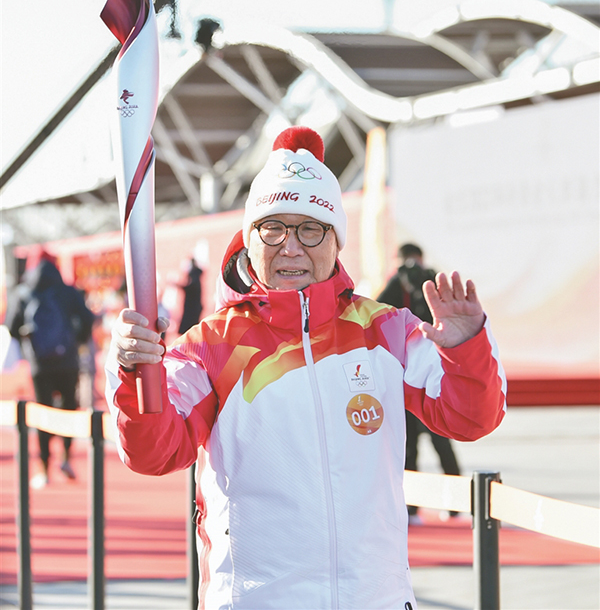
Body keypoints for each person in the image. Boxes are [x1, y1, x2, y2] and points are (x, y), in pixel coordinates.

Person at [106, 126, 506, 610]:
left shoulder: (386, 331)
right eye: (272, 228)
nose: (291, 247)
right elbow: (153, 452)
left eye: (311, 229)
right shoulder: (209, 347)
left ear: (336, 241)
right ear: (249, 240)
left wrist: (465, 347)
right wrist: (136, 372)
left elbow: (471, 418)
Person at [378, 244, 462, 524]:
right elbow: (378, 311)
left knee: (439, 444)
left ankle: (453, 503)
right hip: (409, 379)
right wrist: (399, 280)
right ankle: (413, 507)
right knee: (411, 446)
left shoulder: (431, 282)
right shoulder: (401, 283)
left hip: (428, 377)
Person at [6, 255, 95, 488]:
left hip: (39, 364)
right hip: (68, 361)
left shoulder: (24, 292)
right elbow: (87, 319)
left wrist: (29, 347)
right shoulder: (67, 291)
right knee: (68, 409)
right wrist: (75, 341)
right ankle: (66, 457)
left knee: (42, 413)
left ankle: (44, 467)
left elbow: (11, 326)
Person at [178, 257, 203, 334]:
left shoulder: (195, 279)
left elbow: (190, 288)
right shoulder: (195, 278)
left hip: (192, 310)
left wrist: (177, 285)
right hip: (192, 309)